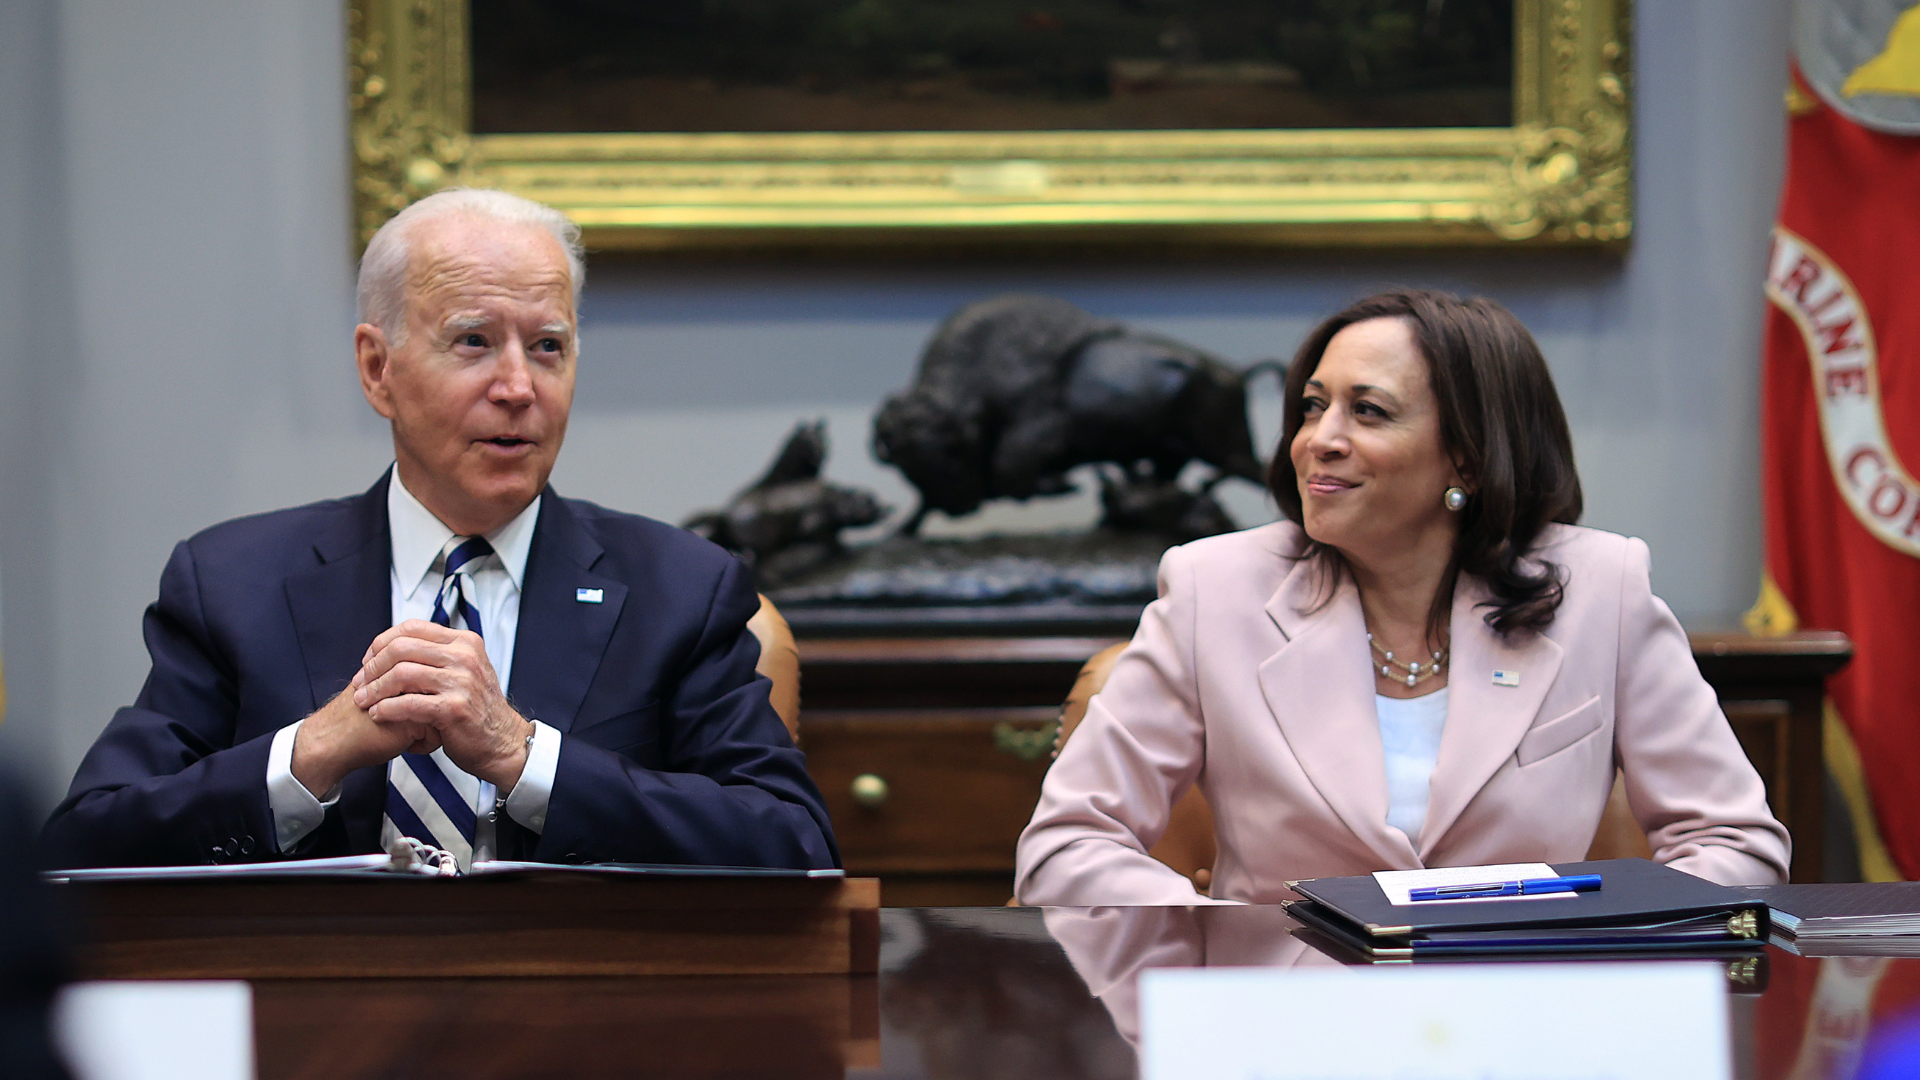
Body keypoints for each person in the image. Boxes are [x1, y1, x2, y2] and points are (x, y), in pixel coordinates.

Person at [42, 189, 837, 872]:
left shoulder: (681, 591)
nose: (520, 387)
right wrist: (310, 755)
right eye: (474, 342)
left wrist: (525, 759)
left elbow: (793, 845)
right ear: (377, 368)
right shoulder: (232, 584)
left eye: (549, 347)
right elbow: (84, 845)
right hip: (314, 1030)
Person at [1015, 289, 1789, 906]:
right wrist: (1230, 950)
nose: (1319, 436)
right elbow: (1068, 846)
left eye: (1369, 410)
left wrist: (1586, 936)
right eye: (1315, 406)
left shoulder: (1601, 591)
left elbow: (1738, 846)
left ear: (1469, 458)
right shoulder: (1212, 589)